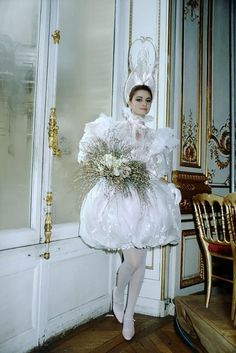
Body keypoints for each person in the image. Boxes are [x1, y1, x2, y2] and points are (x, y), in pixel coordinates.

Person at [77, 84, 181, 341]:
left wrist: (171, 187)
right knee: (132, 262)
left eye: (148, 100)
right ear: (130, 100)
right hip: (121, 198)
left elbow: (157, 172)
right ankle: (118, 291)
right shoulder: (115, 129)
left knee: (140, 262)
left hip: (146, 198)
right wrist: (109, 169)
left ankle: (130, 315)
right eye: (139, 99)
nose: (144, 103)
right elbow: (94, 157)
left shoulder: (154, 137)